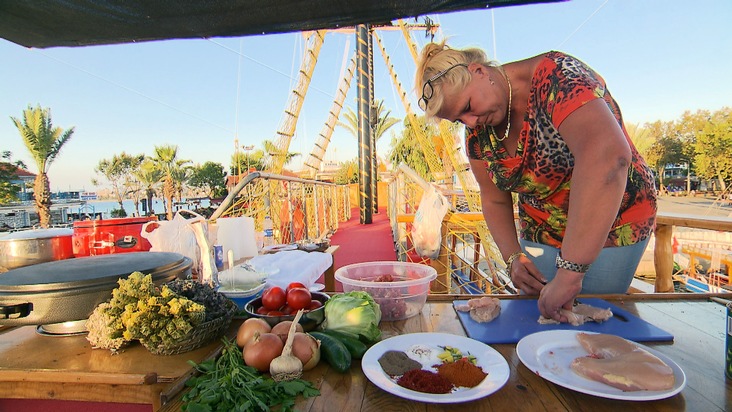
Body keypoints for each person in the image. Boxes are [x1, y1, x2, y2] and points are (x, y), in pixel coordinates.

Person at [415, 41, 657, 323]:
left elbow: (608, 159)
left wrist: (570, 274)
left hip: (612, 223)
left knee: (595, 326)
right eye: (459, 119)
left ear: (479, 71)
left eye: (468, 106)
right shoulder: (477, 133)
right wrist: (513, 257)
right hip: (542, 228)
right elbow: (493, 199)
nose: (470, 123)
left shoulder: (557, 77)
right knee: (540, 323)